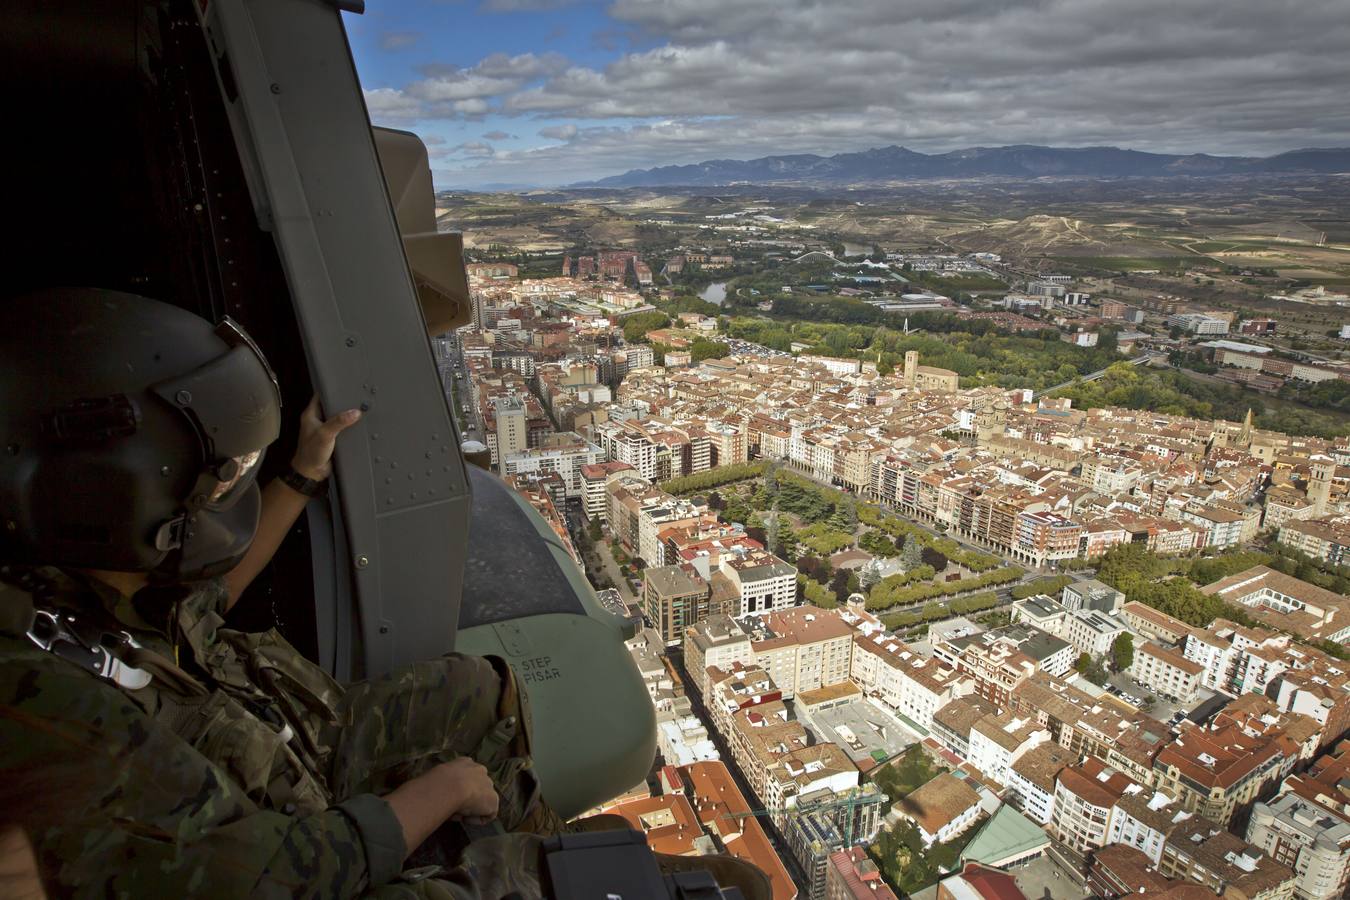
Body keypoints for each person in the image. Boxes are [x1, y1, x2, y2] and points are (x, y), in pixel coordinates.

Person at [0, 288, 769, 899]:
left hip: (295, 746)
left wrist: (301, 472)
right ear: (104, 494)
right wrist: (437, 795)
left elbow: (209, 601)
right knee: (523, 880)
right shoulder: (48, 710)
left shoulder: (81, 597)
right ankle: (532, 869)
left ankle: (536, 838)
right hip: (283, 839)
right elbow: (268, 878)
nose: (223, 495)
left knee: (479, 688)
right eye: (215, 479)